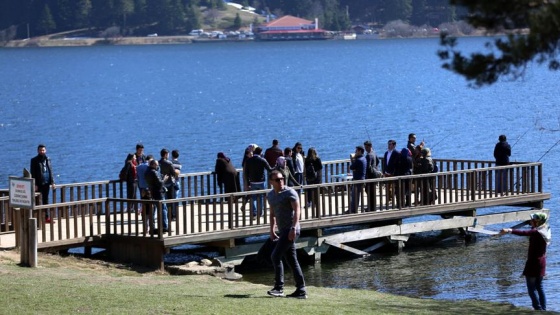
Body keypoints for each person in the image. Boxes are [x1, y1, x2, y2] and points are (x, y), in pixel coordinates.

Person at [266, 170, 307, 299]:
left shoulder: (290, 192)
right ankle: (301, 290)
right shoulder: (271, 195)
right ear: (271, 182)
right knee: (291, 260)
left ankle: (279, 288)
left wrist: (294, 228)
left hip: (291, 230)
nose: (281, 181)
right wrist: (272, 230)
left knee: (275, 256)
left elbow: (297, 210)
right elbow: (272, 214)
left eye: (282, 178)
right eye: (277, 180)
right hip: (282, 230)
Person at [500, 212, 551, 311]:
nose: (530, 221)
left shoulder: (536, 232)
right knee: (540, 287)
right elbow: (532, 230)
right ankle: (543, 309)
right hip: (542, 262)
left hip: (533, 263)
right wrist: (532, 225)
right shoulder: (545, 229)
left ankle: (537, 309)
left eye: (533, 220)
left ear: (537, 222)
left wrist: (509, 230)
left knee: (531, 288)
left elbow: (524, 233)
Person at [30, 144, 56, 223]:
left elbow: (50, 171)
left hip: (47, 183)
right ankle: (37, 218)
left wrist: (52, 182)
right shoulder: (34, 160)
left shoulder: (48, 159)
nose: (42, 151)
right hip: (38, 184)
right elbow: (32, 173)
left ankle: (46, 217)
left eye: (43, 150)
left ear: (46, 150)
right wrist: (34, 184)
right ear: (38, 151)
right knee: (37, 201)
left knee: (46, 200)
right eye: (40, 150)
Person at [244, 146, 272, 217]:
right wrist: (277, 166)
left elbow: (246, 173)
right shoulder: (263, 160)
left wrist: (247, 183)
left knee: (253, 197)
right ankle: (261, 212)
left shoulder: (248, 160)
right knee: (261, 197)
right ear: (260, 153)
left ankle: (254, 212)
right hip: (261, 181)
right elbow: (270, 169)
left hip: (252, 182)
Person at [144, 159, 170, 234]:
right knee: (163, 209)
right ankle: (165, 227)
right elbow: (160, 183)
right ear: (152, 165)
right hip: (159, 193)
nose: (157, 166)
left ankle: (153, 227)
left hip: (152, 192)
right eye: (156, 164)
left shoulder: (147, 172)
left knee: (154, 210)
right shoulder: (154, 172)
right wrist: (164, 179)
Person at [137, 155, 154, 232]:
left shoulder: (139, 167)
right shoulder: (150, 167)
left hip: (141, 188)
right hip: (149, 189)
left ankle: (145, 228)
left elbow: (137, 176)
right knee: (151, 208)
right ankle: (151, 227)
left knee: (144, 207)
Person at [348, 145, 367, 213]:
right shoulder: (364, 158)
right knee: (357, 195)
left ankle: (353, 210)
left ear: (359, 151)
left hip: (357, 180)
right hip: (362, 179)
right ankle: (354, 209)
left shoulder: (358, 160)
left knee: (354, 195)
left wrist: (354, 159)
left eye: (356, 151)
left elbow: (351, 167)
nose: (355, 152)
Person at [364, 140, 380, 211]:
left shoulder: (368, 155)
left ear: (370, 146)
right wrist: (375, 168)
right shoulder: (374, 153)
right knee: (372, 191)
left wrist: (370, 171)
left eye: (366, 147)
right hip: (375, 174)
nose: (365, 148)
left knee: (369, 191)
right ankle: (373, 207)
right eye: (365, 147)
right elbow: (378, 161)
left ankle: (370, 207)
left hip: (370, 176)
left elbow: (368, 166)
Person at [170, 149, 182, 220]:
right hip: (176, 181)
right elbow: (178, 172)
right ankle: (175, 214)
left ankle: (171, 213)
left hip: (170, 182)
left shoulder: (170, 163)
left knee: (170, 198)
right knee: (176, 198)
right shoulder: (179, 164)